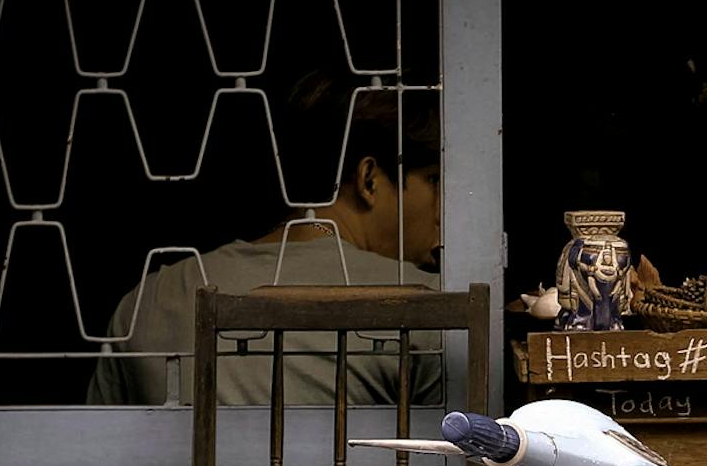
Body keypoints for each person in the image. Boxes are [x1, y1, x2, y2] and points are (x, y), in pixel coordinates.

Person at [87, 74, 448, 406]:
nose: (443, 209)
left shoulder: (149, 299)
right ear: (369, 178)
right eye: (433, 180)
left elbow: (98, 458)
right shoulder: (420, 302)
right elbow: (460, 461)